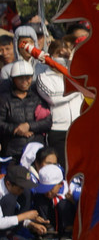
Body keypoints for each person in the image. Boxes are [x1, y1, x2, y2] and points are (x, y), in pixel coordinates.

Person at [35, 39, 79, 167]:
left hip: (78, 129)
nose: (62, 58)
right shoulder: (43, 77)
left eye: (65, 55)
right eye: (59, 54)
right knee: (63, 168)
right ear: (50, 56)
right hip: (59, 130)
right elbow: (53, 98)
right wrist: (77, 89)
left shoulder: (77, 76)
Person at [0, 60, 49, 160]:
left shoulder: (38, 98)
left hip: (37, 151)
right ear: (13, 80)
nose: (25, 81)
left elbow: (47, 122)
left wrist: (29, 126)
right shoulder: (4, 100)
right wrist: (16, 129)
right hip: (13, 151)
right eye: (20, 78)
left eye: (28, 78)